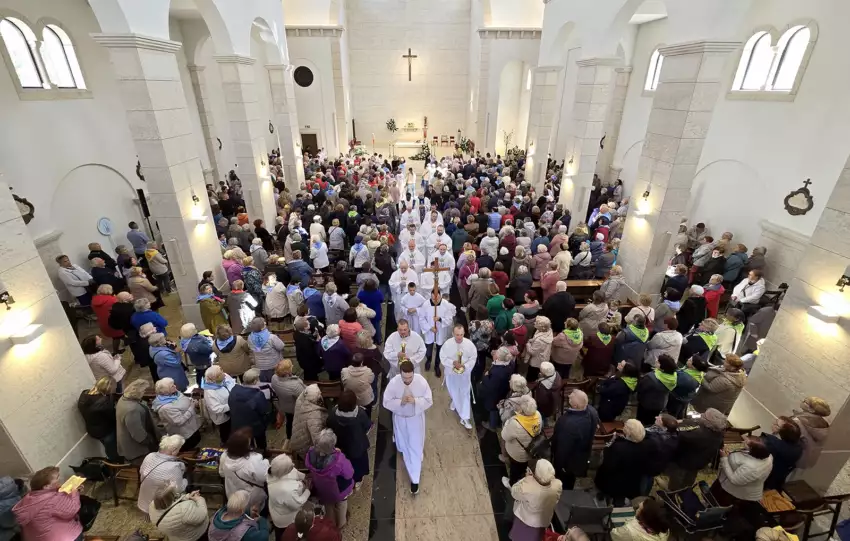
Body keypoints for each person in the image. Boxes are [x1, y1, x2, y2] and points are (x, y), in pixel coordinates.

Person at [383, 360, 433, 494]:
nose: (408, 381)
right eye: (405, 378)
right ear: (400, 374)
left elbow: (429, 400)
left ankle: (414, 479)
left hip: (415, 419)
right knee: (403, 443)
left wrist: (416, 401)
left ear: (413, 373)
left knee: (415, 447)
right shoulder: (394, 383)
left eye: (410, 377)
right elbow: (386, 402)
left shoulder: (421, 381)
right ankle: (404, 449)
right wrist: (400, 402)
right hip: (400, 418)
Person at [12, 466, 82, 541]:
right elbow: (73, 509)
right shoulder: (52, 500)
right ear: (46, 486)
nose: (59, 481)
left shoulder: (29, 497)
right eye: (57, 479)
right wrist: (74, 492)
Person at [305, 429, 355, 529]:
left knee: (328, 504)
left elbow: (307, 465)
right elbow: (349, 473)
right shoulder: (338, 460)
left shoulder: (310, 453)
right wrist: (338, 454)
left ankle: (330, 524)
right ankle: (341, 523)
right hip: (338, 490)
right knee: (341, 504)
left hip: (321, 486)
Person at [552, 390, 598, 489]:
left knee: (564, 482)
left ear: (576, 405)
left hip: (568, 462)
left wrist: (560, 465)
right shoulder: (593, 412)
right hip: (581, 456)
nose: (569, 396)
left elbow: (562, 448)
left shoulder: (567, 424)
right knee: (570, 479)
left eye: (571, 398)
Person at [595, 419, 647, 506]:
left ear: (629, 432)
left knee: (615, 496)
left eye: (625, 426)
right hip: (632, 480)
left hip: (615, 480)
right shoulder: (645, 446)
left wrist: (611, 445)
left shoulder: (619, 448)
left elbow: (608, 465)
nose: (623, 427)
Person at [509, 459, 563, 541]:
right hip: (542, 521)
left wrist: (526, 479)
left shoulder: (528, 486)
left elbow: (514, 492)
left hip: (525, 520)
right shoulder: (558, 485)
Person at [326, 390, 372, 486]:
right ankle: (358, 481)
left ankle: (346, 480)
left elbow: (329, 426)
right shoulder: (360, 414)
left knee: (344, 463)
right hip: (357, 447)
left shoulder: (333, 414)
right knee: (359, 464)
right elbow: (367, 427)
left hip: (340, 445)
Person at [219, 428, 270, 512]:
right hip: (252, 499)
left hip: (234, 498)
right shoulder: (254, 460)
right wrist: (266, 462)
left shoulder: (224, 456)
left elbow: (221, 473)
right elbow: (263, 477)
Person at [712, 438, 773, 506]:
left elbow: (734, 479)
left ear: (753, 450)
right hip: (732, 485)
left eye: (748, 444)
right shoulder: (767, 456)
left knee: (720, 503)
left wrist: (724, 458)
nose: (745, 441)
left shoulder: (752, 468)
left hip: (738, 493)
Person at [440, 324, 478, 430]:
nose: (459, 337)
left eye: (461, 334)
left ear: (464, 333)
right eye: (457, 334)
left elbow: (473, 358)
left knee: (465, 394)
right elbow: (442, 357)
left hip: (464, 375)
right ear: (453, 333)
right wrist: (452, 363)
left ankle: (465, 417)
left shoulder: (469, 345)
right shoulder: (447, 344)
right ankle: (455, 402)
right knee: (453, 391)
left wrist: (464, 366)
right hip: (451, 374)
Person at [138, 434, 188, 513]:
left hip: (144, 502)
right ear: (173, 451)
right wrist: (186, 481)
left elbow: (141, 473)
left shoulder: (149, 456)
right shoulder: (173, 467)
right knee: (186, 480)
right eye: (179, 449)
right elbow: (179, 489)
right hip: (161, 507)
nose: (179, 451)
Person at [501, 395, 543, 488]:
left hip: (517, 454)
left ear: (522, 410)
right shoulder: (538, 415)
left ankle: (512, 484)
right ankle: (523, 474)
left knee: (515, 468)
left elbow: (504, 436)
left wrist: (507, 423)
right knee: (523, 466)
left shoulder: (515, 423)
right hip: (531, 448)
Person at [116, 379, 160, 462]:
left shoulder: (124, 398)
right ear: (137, 392)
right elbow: (138, 435)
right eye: (144, 390)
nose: (145, 392)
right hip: (138, 451)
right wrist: (151, 441)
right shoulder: (132, 410)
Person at [78, 377, 120, 461]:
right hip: (106, 431)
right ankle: (116, 464)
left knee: (107, 447)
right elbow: (113, 417)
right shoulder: (105, 403)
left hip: (93, 430)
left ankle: (113, 461)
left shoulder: (84, 395)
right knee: (112, 451)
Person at [153, 377, 201, 450]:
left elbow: (184, 399)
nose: (175, 386)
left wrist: (192, 401)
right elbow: (179, 421)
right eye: (172, 386)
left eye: (174, 384)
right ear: (166, 391)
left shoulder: (175, 393)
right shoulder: (165, 408)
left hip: (192, 425)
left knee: (197, 439)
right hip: (184, 432)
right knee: (189, 447)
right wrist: (191, 408)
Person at [229, 369, 272, 450]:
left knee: (247, 445)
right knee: (261, 443)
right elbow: (264, 410)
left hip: (238, 424)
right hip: (255, 426)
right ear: (256, 380)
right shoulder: (258, 395)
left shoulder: (234, 390)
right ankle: (263, 453)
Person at [268, 454, 311, 533]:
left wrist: (304, 477)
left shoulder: (274, 471)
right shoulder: (285, 490)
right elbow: (296, 504)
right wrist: (308, 491)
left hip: (277, 508)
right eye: (291, 466)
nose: (293, 465)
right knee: (285, 534)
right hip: (285, 520)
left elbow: (295, 472)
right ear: (285, 471)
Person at [418, 290, 456, 376]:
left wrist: (440, 319)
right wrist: (429, 328)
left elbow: (449, 319)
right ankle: (428, 360)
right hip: (429, 331)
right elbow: (421, 318)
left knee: (439, 349)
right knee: (428, 350)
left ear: (440, 296)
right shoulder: (426, 304)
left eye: (437, 298)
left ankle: (436, 366)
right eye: (433, 298)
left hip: (440, 331)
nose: (435, 300)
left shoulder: (446, 304)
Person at [761, 417, 803, 491]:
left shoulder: (770, 444)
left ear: (781, 432)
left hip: (763, 478)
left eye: (776, 424)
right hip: (776, 480)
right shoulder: (797, 446)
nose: (773, 423)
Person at [479, 346, 515, 431]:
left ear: (499, 357)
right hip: (504, 389)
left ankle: (492, 425)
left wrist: (486, 377)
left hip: (495, 393)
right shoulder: (511, 363)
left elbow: (491, 386)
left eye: (497, 353)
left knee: (493, 408)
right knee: (499, 405)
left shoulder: (497, 372)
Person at [636, 354, 678, 425]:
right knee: (652, 421)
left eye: (658, 361)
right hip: (660, 404)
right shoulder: (673, 376)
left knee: (641, 421)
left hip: (646, 404)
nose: (656, 361)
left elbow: (640, 388)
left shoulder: (650, 378)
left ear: (662, 367)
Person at [270, 359, 306, 441]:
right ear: (287, 371)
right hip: (295, 408)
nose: (292, 366)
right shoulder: (295, 385)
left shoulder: (274, 378)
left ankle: (289, 438)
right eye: (291, 366)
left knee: (289, 422)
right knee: (298, 423)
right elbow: (303, 396)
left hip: (284, 405)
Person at [793, 397, 831, 470]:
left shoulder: (798, 421)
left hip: (793, 457)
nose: (802, 401)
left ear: (811, 410)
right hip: (805, 460)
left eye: (805, 402)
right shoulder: (824, 425)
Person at [290, 384, 328, 458]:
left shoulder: (301, 399)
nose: (321, 394)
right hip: (304, 448)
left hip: (296, 437)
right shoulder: (314, 416)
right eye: (319, 394)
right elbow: (317, 440)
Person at [203, 365, 235, 445]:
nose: (224, 374)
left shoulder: (223, 378)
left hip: (231, 411)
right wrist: (232, 404)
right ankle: (225, 443)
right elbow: (216, 409)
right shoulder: (210, 392)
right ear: (215, 378)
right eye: (221, 374)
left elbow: (233, 383)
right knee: (225, 430)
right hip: (222, 416)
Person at [247, 317, 285, 382]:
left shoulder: (250, 338)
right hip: (273, 364)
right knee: (274, 381)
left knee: (264, 383)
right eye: (264, 323)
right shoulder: (271, 337)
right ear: (263, 327)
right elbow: (281, 346)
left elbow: (252, 348)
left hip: (260, 365)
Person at [180, 322, 214, 388]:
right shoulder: (196, 345)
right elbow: (209, 350)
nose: (196, 328)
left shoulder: (184, 339)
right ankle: (202, 387)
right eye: (194, 328)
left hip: (195, 360)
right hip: (203, 362)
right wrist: (210, 341)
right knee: (203, 375)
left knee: (199, 372)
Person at [524, 316, 554, 382]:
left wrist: (528, 344)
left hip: (537, 360)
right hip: (544, 355)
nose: (534, 323)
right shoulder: (548, 330)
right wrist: (533, 340)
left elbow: (532, 352)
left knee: (531, 376)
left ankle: (531, 386)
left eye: (536, 323)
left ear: (541, 327)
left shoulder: (539, 341)